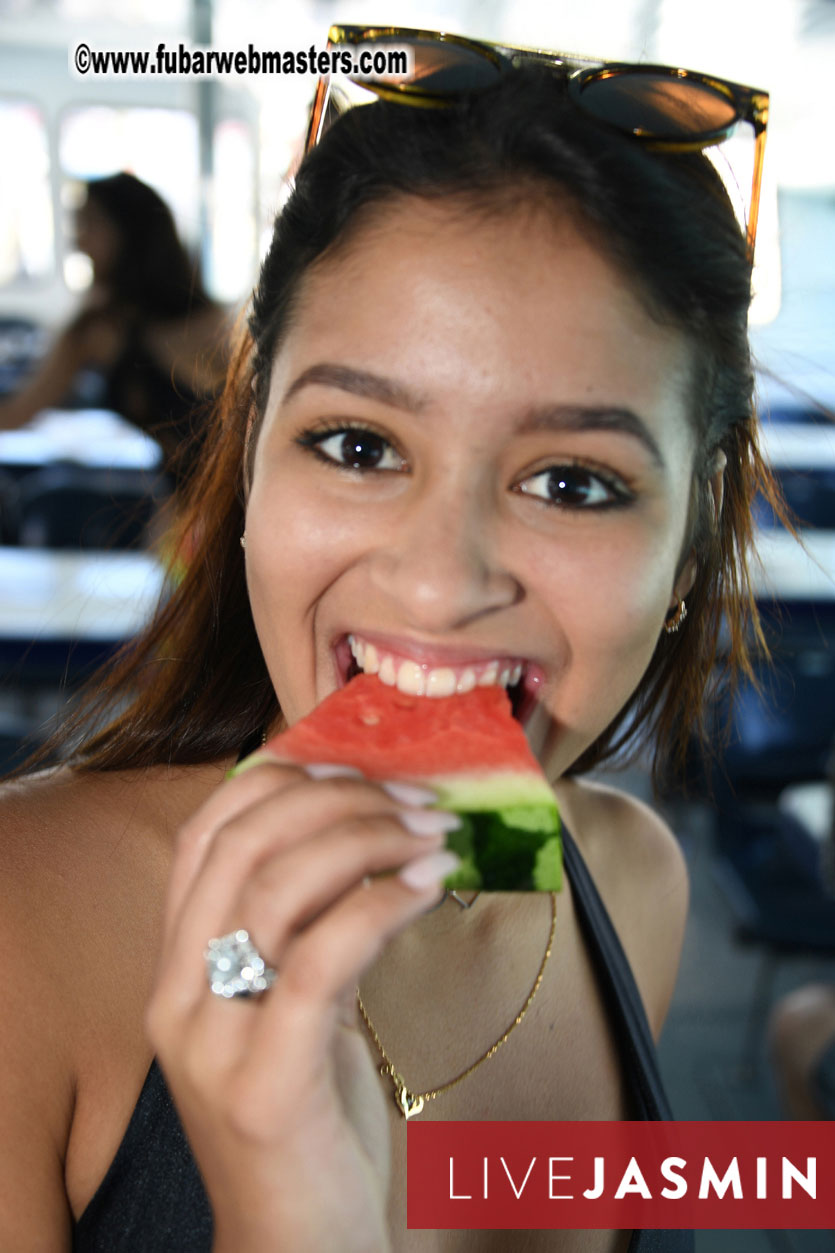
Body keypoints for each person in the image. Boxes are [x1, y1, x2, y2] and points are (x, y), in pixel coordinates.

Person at [0, 31, 780, 1253]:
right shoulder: (22, 929)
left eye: (572, 481)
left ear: (688, 548)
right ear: (249, 462)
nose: (439, 579)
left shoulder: (632, 882)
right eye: (358, 445)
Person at [0, 171, 229, 491]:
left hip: (228, 497)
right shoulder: (97, 328)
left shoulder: (209, 321)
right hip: (184, 497)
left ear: (128, 232)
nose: (77, 242)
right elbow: (17, 413)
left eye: (88, 224)